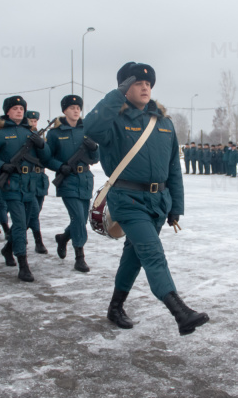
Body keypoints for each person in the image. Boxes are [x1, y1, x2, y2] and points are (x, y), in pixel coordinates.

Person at [85, 61, 209, 335]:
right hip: (127, 200)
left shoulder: (163, 122)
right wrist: (115, 96)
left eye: (148, 84)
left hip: (158, 201)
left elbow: (174, 168)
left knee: (135, 255)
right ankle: (180, 312)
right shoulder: (113, 121)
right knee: (152, 253)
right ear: (124, 88)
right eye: (137, 83)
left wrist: (176, 206)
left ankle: (115, 307)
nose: (144, 87)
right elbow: (91, 128)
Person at [0, 96, 51, 281]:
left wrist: (42, 145)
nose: (19, 111)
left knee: (29, 221)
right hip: (12, 183)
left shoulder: (31, 132)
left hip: (31, 184)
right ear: (7, 111)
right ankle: (23, 264)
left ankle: (7, 249)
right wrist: (2, 166)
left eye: (21, 108)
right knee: (20, 223)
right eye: (15, 108)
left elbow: (46, 157)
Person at [47, 96, 99, 272]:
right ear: (64, 111)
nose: (76, 111)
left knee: (82, 219)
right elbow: (47, 158)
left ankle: (63, 238)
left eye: (78, 107)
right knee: (77, 217)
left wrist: (94, 148)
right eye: (72, 108)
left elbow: (95, 159)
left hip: (84, 179)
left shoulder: (88, 131)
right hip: (67, 180)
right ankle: (79, 257)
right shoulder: (55, 133)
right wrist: (60, 167)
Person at [25, 110, 50, 255]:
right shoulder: (23, 136)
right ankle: (38, 241)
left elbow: (47, 156)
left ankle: (17, 237)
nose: (33, 123)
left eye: (35, 121)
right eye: (31, 121)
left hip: (40, 178)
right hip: (28, 178)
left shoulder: (41, 137)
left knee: (35, 212)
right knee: (33, 212)